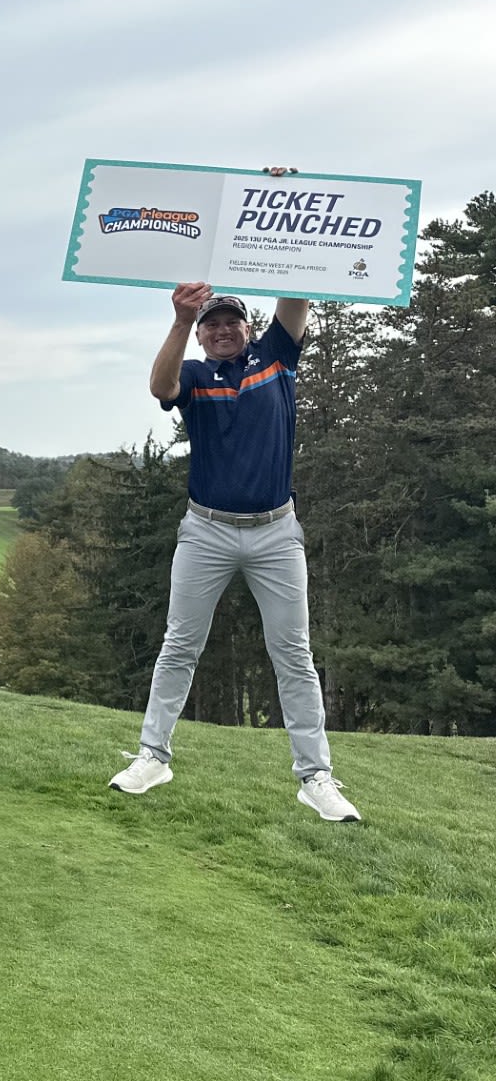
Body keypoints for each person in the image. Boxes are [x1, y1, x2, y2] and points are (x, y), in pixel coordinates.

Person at [109, 282, 361, 822]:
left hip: (276, 532)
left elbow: (296, 300)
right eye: (211, 324)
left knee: (294, 654)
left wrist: (291, 252)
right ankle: (152, 756)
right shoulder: (196, 375)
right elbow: (161, 384)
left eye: (231, 322)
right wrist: (178, 321)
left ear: (248, 328)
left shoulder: (274, 358)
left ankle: (315, 776)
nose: (222, 330)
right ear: (200, 335)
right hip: (206, 531)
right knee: (179, 645)